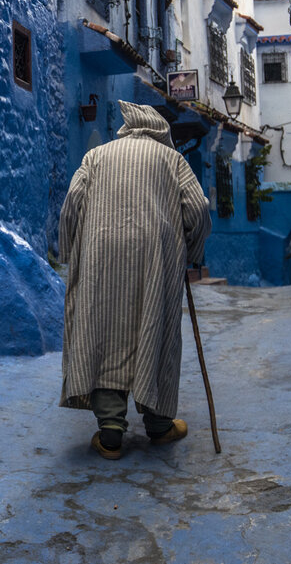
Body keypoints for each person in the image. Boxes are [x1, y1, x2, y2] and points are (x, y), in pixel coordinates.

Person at [57, 100, 211, 460]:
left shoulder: (96, 156)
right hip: (155, 255)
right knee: (156, 328)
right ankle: (159, 425)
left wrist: (68, 253)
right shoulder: (172, 160)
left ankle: (110, 431)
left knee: (103, 330)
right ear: (161, 132)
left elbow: (71, 205)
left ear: (128, 128)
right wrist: (193, 250)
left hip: (100, 253)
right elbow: (199, 209)